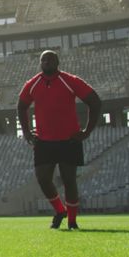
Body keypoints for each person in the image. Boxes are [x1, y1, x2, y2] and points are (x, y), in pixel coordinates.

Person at [17, 50, 102, 230]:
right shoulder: (32, 84)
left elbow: (94, 101)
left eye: (50, 59)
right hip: (44, 140)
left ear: (57, 62)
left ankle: (72, 221)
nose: (47, 61)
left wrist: (87, 131)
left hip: (69, 139)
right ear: (40, 63)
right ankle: (59, 210)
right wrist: (26, 132)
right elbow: (21, 107)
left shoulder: (70, 81)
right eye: (43, 59)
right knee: (43, 178)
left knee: (69, 180)